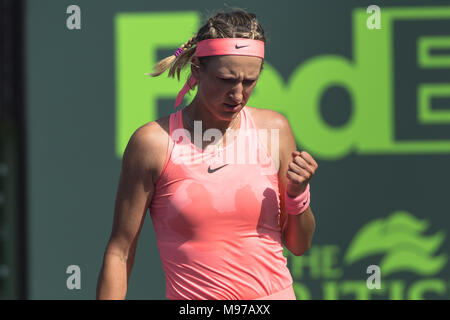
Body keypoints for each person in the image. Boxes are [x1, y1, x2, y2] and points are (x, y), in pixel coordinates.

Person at [96, 8, 318, 300]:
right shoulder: (152, 144)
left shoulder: (274, 130)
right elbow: (120, 253)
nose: (238, 94)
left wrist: (297, 194)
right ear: (197, 70)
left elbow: (299, 245)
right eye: (226, 80)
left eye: (249, 82)